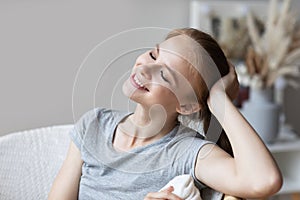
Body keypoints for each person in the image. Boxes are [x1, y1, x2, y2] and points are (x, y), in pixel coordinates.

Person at [48, 28, 282, 200]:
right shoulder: (94, 124)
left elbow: (264, 180)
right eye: (153, 55)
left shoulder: (185, 152)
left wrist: (219, 99)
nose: (145, 68)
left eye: (165, 75)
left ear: (187, 106)